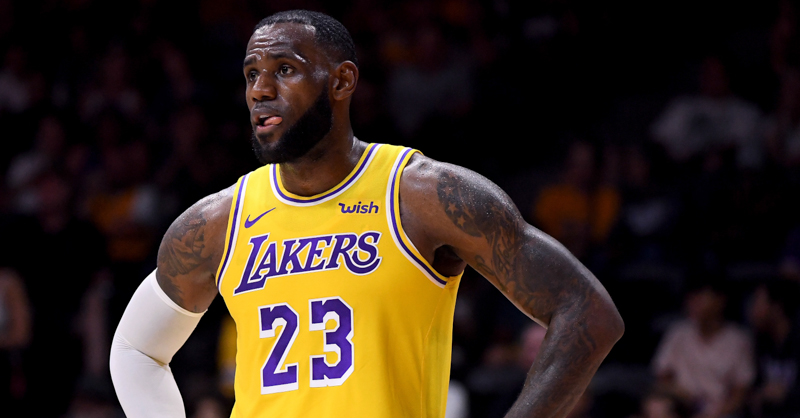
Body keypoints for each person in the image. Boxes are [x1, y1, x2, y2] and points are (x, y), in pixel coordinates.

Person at [109, 10, 624, 418]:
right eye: (251, 74)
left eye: (284, 69)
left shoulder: (423, 195)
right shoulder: (217, 222)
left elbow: (588, 313)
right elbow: (135, 351)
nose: (260, 90)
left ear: (342, 81)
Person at [652, 276, 754, 418]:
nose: (693, 303)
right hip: (681, 408)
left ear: (720, 300)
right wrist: (681, 396)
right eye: (691, 298)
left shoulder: (739, 339)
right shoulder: (678, 333)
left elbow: (740, 394)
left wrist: (713, 413)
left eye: (700, 297)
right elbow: (662, 378)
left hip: (720, 412)